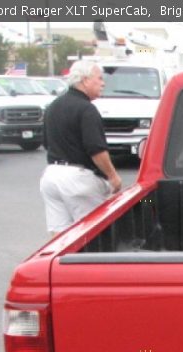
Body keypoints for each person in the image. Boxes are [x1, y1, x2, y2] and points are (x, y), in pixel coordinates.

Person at [39, 59, 122, 235]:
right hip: (78, 180)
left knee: (60, 237)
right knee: (93, 233)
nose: (103, 83)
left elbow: (46, 143)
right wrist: (112, 176)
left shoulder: (52, 107)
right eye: (99, 78)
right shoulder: (87, 109)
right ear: (85, 80)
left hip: (51, 176)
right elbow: (96, 150)